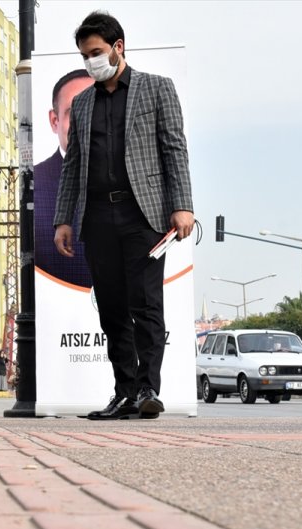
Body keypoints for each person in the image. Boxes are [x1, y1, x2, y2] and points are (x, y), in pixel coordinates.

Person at [53, 11, 194, 421]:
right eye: (84, 56)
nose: (90, 61)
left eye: (96, 52)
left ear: (119, 47)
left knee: (146, 304)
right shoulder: (81, 103)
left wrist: (182, 205)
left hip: (143, 216)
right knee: (112, 308)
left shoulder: (157, 89)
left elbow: (174, 150)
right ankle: (125, 391)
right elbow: (72, 165)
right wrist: (64, 218)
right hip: (96, 217)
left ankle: (149, 388)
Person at [34, 69, 94, 288]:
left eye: (95, 109)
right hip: (59, 310)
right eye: (75, 111)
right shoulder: (34, 184)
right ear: (54, 120)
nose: (86, 121)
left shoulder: (134, 181)